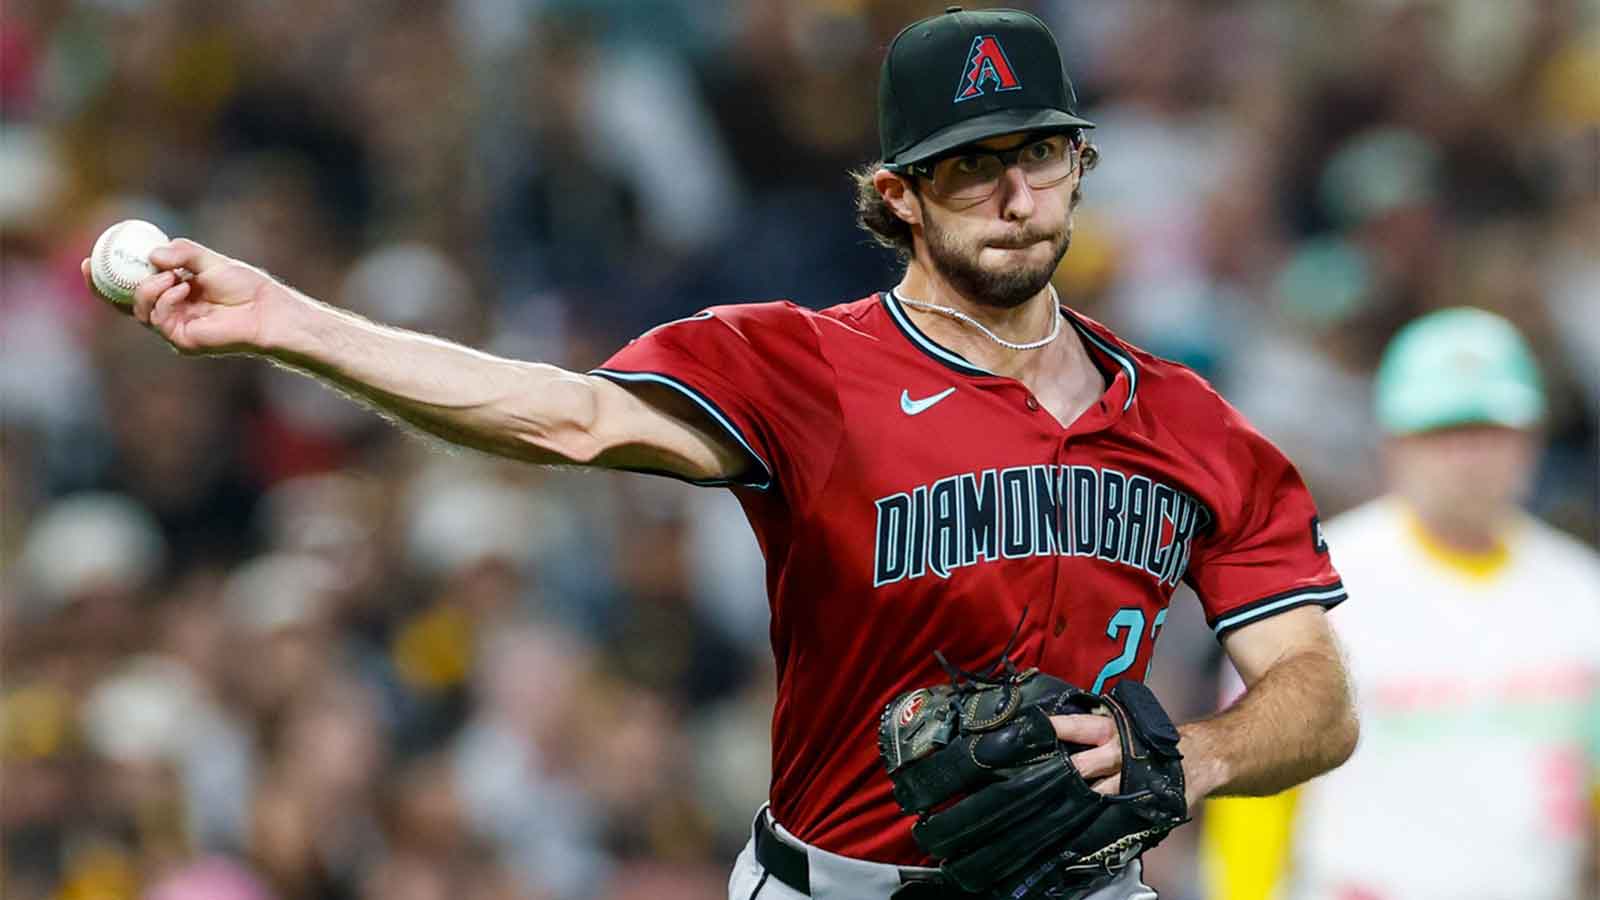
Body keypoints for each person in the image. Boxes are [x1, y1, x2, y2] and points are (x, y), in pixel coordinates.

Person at [85, 8, 1358, 900]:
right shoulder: (798, 363)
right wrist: (291, 323)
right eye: (970, 165)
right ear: (898, 194)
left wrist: (1193, 757)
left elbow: (1316, 694)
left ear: (1077, 165)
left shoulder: (1192, 421)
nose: (1014, 192)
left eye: (1037, 153)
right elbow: (567, 416)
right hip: (840, 887)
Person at [1202, 308, 1600, 900]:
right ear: (1393, 442)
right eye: (1442, 433)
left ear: (1533, 440)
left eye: (1490, 431)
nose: (1469, 458)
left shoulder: (1581, 591)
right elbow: (1251, 789)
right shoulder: (1311, 591)